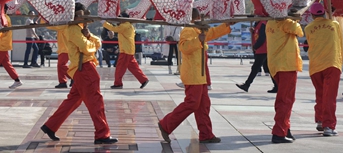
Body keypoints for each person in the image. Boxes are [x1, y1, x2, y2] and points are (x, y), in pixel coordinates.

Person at [40, 3, 118, 145]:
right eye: (81, 15)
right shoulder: (73, 29)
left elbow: (97, 42)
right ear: (75, 15)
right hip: (85, 69)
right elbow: (85, 48)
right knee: (95, 102)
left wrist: (89, 37)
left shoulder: (80, 29)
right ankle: (102, 134)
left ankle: (50, 125)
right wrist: (90, 42)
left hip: (82, 69)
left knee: (73, 100)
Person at [158, 8, 231, 145]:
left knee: (203, 105)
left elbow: (212, 33)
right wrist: (198, 40)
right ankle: (166, 124)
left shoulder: (198, 30)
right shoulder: (188, 30)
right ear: (195, 18)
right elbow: (184, 47)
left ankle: (206, 134)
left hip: (200, 76)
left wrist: (226, 25)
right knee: (192, 104)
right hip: (193, 75)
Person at [305, 2, 343, 136]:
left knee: (320, 94)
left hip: (315, 66)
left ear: (312, 14)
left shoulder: (308, 28)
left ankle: (320, 121)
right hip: (332, 64)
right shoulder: (334, 25)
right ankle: (329, 126)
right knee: (330, 97)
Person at [266, 16, 303, 143]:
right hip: (287, 64)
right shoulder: (287, 22)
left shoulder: (270, 22)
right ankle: (279, 132)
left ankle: (285, 128)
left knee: (283, 98)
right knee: (286, 99)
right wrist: (296, 19)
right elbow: (299, 30)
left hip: (276, 64)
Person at [103, 14, 149, 89]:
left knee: (120, 68)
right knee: (134, 67)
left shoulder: (124, 25)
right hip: (128, 49)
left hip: (125, 51)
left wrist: (104, 23)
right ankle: (143, 79)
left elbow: (114, 29)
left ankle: (118, 83)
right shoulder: (129, 25)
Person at [236, 20, 277, 93]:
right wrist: (253, 31)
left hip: (263, 49)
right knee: (269, 68)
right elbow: (257, 35)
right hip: (261, 49)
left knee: (255, 68)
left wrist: (256, 46)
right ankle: (277, 86)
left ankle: (247, 85)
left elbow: (262, 37)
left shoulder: (263, 24)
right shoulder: (258, 24)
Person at [48, 23, 70, 88]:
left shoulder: (63, 26)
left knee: (61, 65)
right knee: (60, 66)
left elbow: (50, 26)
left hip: (65, 49)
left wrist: (43, 19)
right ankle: (62, 81)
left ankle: (74, 77)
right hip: (63, 49)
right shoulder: (63, 26)